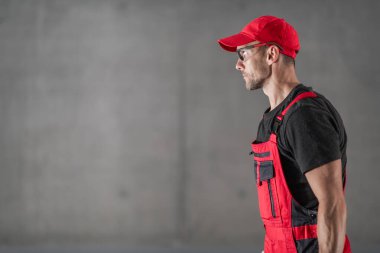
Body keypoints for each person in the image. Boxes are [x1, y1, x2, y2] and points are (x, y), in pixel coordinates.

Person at [217, 15, 351, 253]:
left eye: (243, 54)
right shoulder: (271, 119)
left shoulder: (304, 117)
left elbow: (332, 205)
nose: (238, 65)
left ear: (271, 55)